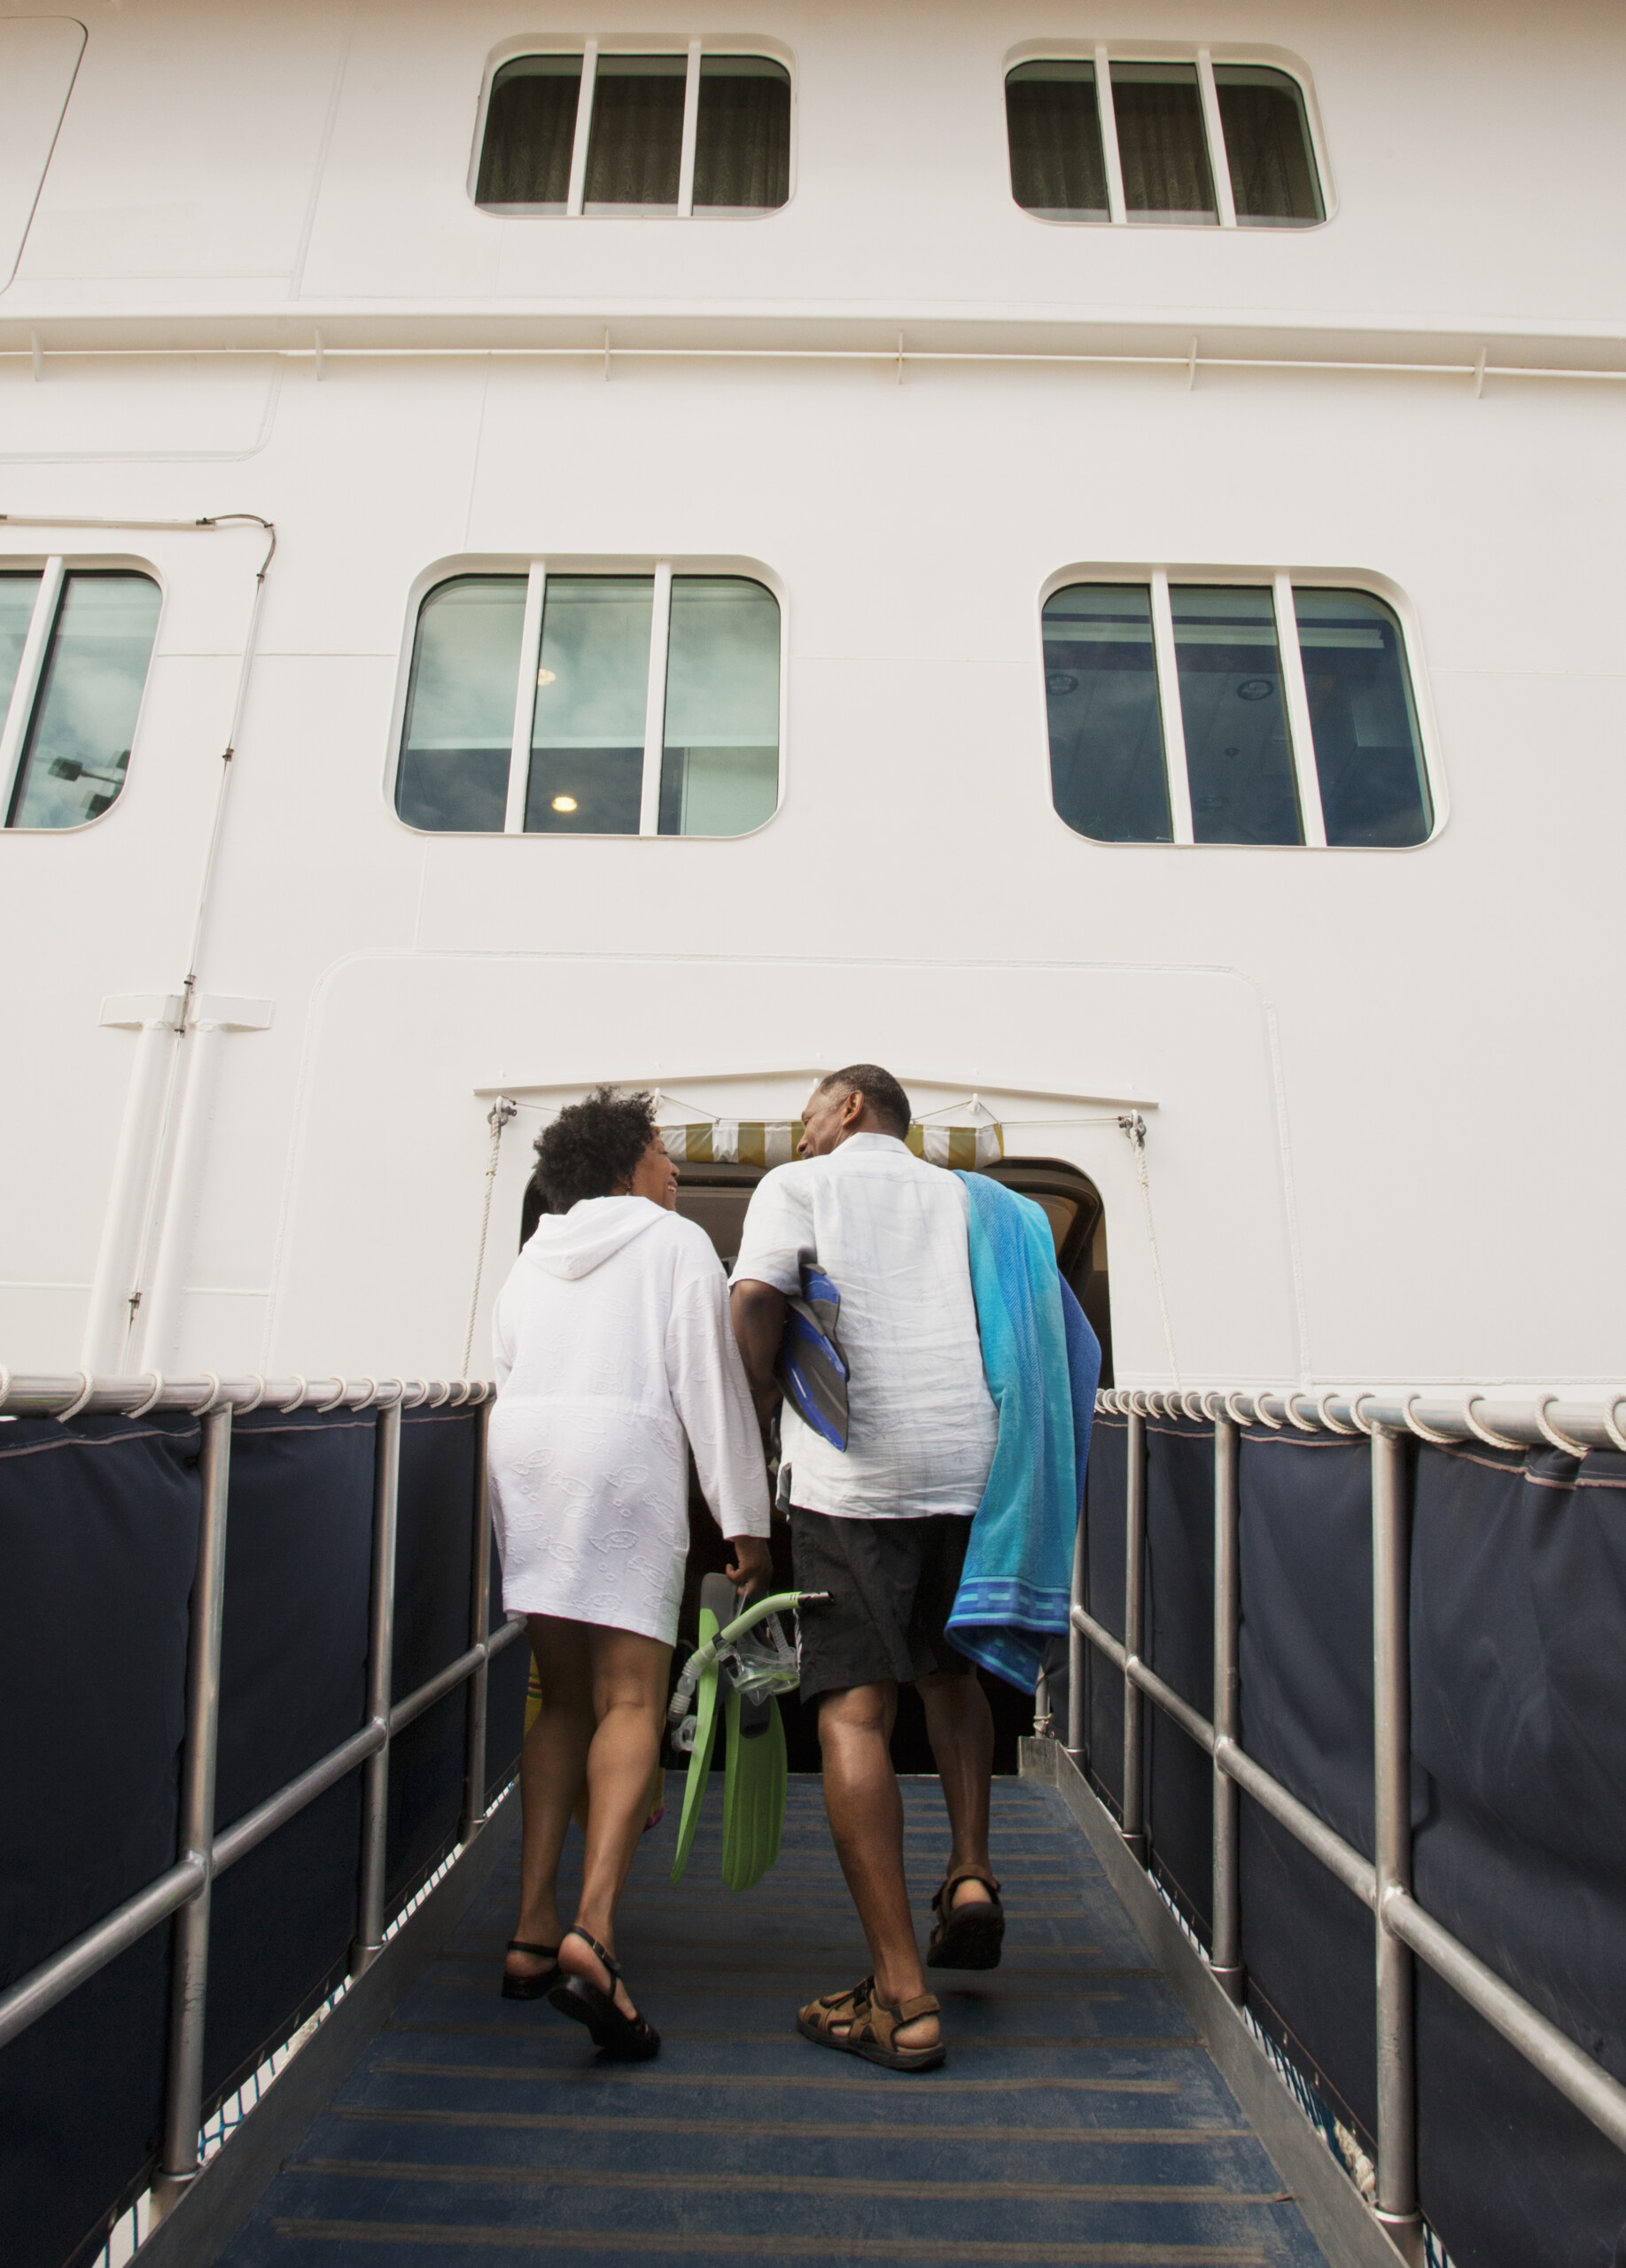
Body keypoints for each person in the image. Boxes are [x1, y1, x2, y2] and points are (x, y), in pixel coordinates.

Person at [488, 1086, 772, 2059]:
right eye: (661, 1151)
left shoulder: (534, 1254)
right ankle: (595, 1931)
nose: (675, 1168)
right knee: (629, 1701)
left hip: (526, 1456)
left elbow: (505, 1363)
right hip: (621, 1456)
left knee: (561, 1697)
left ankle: (530, 1928)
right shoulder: (671, 1244)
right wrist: (746, 1524)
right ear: (624, 1163)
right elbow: (709, 1381)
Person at [729, 1064, 1001, 2072]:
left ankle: (899, 1993)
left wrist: (757, 1412)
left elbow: (755, 1298)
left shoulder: (800, 1186)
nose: (798, 1129)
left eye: (809, 1110)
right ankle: (968, 1869)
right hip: (964, 1460)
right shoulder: (967, 1196)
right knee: (948, 1670)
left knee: (852, 1709)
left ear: (850, 1108)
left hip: (853, 1476)